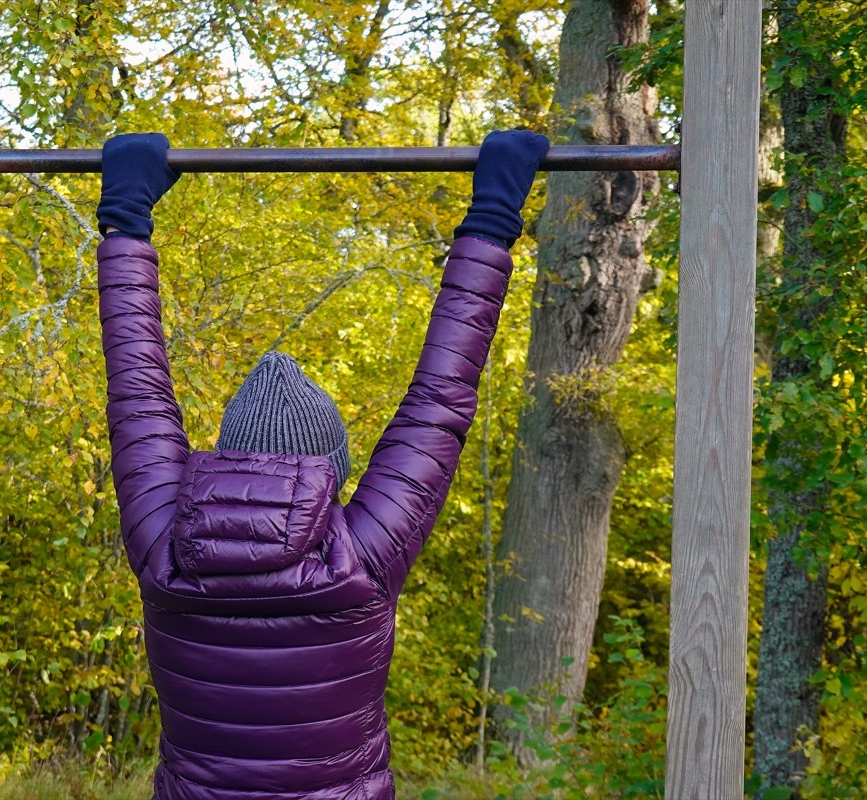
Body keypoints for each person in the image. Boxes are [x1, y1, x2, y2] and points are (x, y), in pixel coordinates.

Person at [95, 129, 549, 800]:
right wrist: (490, 218)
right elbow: (442, 394)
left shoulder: (167, 544)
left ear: (230, 453)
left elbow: (136, 387)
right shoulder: (357, 559)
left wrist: (124, 214)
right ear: (330, 470)